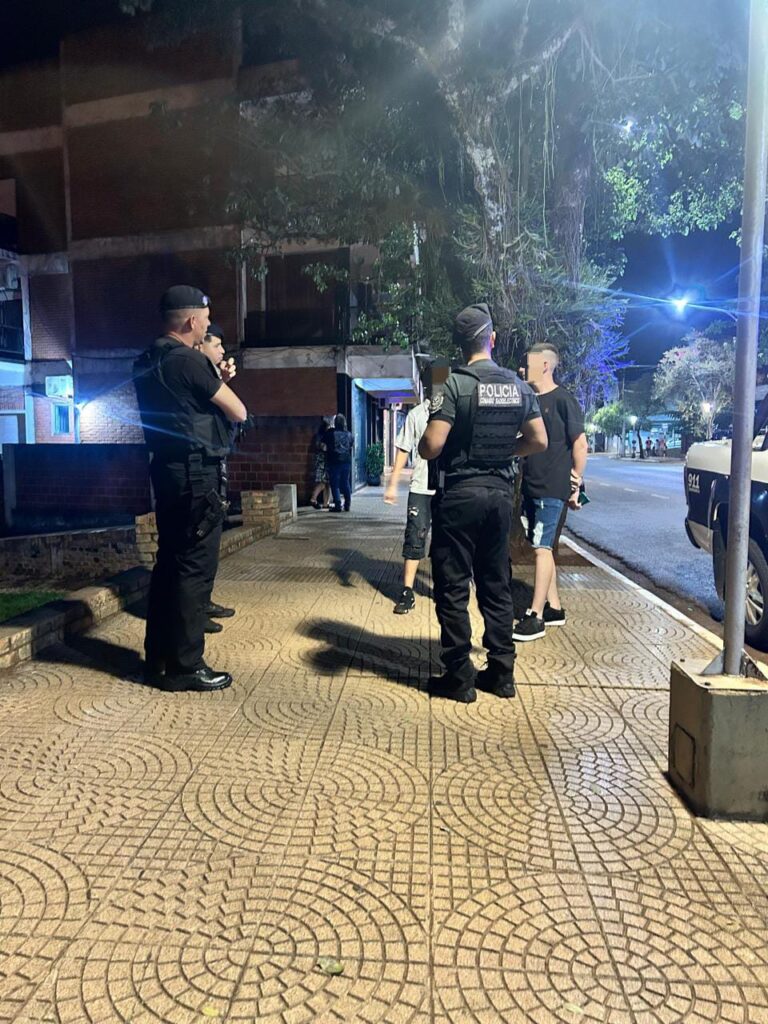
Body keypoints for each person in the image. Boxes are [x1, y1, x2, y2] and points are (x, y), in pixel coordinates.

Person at [419, 303, 547, 702]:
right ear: (492, 339)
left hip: (459, 497)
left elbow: (432, 445)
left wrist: (425, 446)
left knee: (453, 586)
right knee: (496, 584)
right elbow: (539, 440)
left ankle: (459, 677)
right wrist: (506, 452)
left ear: (460, 345)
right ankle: (502, 674)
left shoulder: (452, 384)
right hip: (499, 498)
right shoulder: (517, 386)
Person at [133, 286, 247, 692]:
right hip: (197, 476)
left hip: (167, 472)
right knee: (194, 570)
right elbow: (238, 411)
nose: (207, 325)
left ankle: (159, 659)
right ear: (192, 321)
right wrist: (216, 377)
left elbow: (184, 403)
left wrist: (213, 377)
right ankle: (185, 665)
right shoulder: (189, 360)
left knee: (169, 565)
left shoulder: (148, 359)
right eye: (206, 319)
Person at [513, 342, 588, 642]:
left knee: (541, 549)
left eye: (528, 362)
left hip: (552, 487)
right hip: (532, 485)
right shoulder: (531, 399)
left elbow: (580, 444)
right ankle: (554, 608)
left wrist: (576, 484)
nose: (523, 367)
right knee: (542, 546)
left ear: (545, 365)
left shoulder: (563, 400)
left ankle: (536, 616)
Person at [194, 322, 239, 634]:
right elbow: (238, 412)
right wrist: (219, 383)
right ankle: (193, 612)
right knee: (198, 549)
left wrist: (222, 381)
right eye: (217, 344)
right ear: (200, 345)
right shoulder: (194, 375)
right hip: (197, 470)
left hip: (214, 464)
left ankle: (203, 602)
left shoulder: (208, 376)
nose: (223, 351)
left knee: (210, 547)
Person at [383, 390, 437, 614]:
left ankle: (446, 587)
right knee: (414, 538)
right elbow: (403, 449)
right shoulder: (416, 414)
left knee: (447, 541)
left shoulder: (456, 411)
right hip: (420, 486)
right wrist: (393, 484)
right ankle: (407, 591)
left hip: (449, 488)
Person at [325, 413, 354, 512]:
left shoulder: (331, 434)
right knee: (345, 482)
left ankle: (337, 504)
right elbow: (351, 445)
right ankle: (347, 504)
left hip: (334, 461)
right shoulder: (349, 434)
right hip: (346, 461)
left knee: (335, 483)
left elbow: (323, 443)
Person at [309, 417, 332, 509]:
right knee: (323, 483)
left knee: (327, 483)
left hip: (321, 461)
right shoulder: (323, 437)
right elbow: (324, 448)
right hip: (323, 462)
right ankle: (313, 499)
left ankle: (326, 503)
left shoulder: (318, 436)